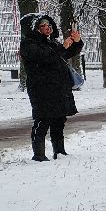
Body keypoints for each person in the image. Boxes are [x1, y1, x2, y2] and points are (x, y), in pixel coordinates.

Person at [19, 14, 83, 161]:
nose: (48, 28)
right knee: (43, 120)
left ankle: (59, 151)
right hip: (42, 89)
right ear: (35, 28)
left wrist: (76, 42)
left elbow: (66, 53)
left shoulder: (51, 42)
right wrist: (62, 47)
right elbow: (46, 57)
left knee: (59, 120)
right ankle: (39, 155)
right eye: (43, 25)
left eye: (49, 25)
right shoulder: (28, 44)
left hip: (59, 88)